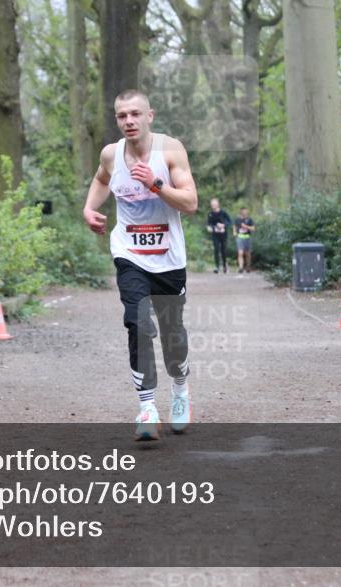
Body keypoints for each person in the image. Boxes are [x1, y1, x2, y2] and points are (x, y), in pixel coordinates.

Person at [82, 89, 198, 441]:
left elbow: (190, 202)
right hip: (129, 254)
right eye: (122, 116)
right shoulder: (110, 154)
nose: (129, 121)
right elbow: (102, 179)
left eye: (135, 114)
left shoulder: (170, 150)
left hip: (168, 260)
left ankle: (180, 392)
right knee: (137, 322)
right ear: (116, 120)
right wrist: (89, 208)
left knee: (171, 336)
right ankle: (147, 407)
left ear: (150, 115)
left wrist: (156, 184)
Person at [206, 198, 232, 274]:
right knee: (216, 249)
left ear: (218, 204)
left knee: (223, 250)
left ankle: (225, 266)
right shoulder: (210, 214)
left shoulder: (223, 213)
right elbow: (209, 223)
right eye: (212, 204)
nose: (213, 206)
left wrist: (223, 225)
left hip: (223, 234)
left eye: (214, 204)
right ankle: (217, 267)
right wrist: (209, 227)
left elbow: (229, 222)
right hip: (215, 234)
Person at [234, 207, 256, 274]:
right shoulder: (237, 219)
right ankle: (241, 268)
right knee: (240, 253)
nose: (244, 213)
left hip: (247, 237)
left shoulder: (249, 220)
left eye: (246, 212)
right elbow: (234, 226)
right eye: (243, 211)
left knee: (248, 254)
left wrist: (246, 227)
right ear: (241, 212)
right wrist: (234, 232)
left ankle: (248, 266)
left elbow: (253, 229)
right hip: (240, 237)